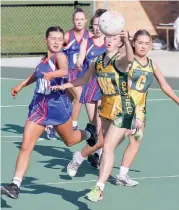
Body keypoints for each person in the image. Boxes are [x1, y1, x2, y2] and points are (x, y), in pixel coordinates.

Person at [1, 26, 96, 199]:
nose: (57, 42)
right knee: (25, 146)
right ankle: (15, 185)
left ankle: (89, 133)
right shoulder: (44, 60)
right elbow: (36, 74)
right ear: (46, 40)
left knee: (70, 140)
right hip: (38, 109)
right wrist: (21, 85)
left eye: (60, 39)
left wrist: (52, 75)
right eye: (53, 38)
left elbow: (65, 71)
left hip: (57, 108)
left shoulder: (60, 56)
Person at [51, 30, 137, 201]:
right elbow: (83, 79)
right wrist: (65, 85)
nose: (109, 41)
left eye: (114, 39)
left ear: (119, 43)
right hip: (106, 106)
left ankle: (99, 188)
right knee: (101, 142)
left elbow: (130, 59)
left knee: (108, 147)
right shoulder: (98, 61)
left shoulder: (119, 60)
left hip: (123, 108)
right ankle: (78, 156)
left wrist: (127, 42)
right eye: (108, 38)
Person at [88, 29, 179, 188]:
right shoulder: (126, 62)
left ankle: (121, 173)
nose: (143, 46)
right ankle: (95, 157)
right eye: (140, 43)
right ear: (133, 43)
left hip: (141, 109)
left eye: (147, 43)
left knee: (136, 140)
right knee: (116, 140)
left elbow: (164, 85)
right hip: (125, 108)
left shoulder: (152, 64)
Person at [62, 9, 107, 176]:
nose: (96, 28)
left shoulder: (110, 42)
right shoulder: (87, 42)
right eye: (94, 25)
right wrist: (80, 62)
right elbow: (81, 58)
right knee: (95, 125)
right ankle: (95, 152)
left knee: (103, 127)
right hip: (91, 88)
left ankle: (94, 155)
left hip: (106, 90)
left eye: (99, 25)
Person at [63, 7, 93, 131]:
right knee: (80, 96)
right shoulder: (67, 36)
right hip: (68, 74)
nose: (79, 22)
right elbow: (55, 51)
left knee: (68, 101)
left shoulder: (90, 36)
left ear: (86, 20)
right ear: (73, 21)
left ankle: (54, 122)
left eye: (81, 19)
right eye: (77, 19)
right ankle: (73, 124)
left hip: (82, 75)